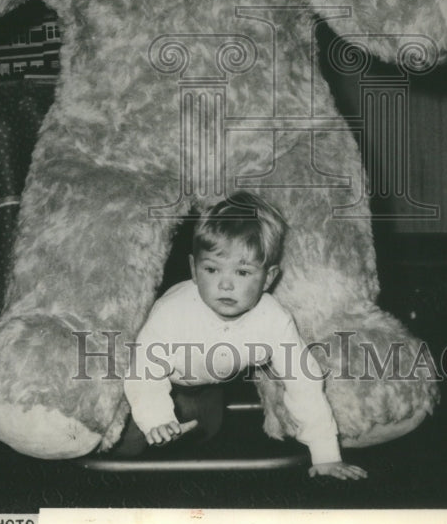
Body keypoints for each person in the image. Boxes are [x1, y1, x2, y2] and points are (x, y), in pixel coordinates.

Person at [119, 191, 367, 480]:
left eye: (243, 272)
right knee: (131, 444)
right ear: (194, 271)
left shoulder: (274, 320)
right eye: (211, 269)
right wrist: (156, 419)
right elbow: (144, 370)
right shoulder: (171, 313)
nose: (225, 284)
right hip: (158, 380)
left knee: (205, 429)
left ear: (268, 278)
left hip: (210, 386)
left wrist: (326, 455)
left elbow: (304, 381)